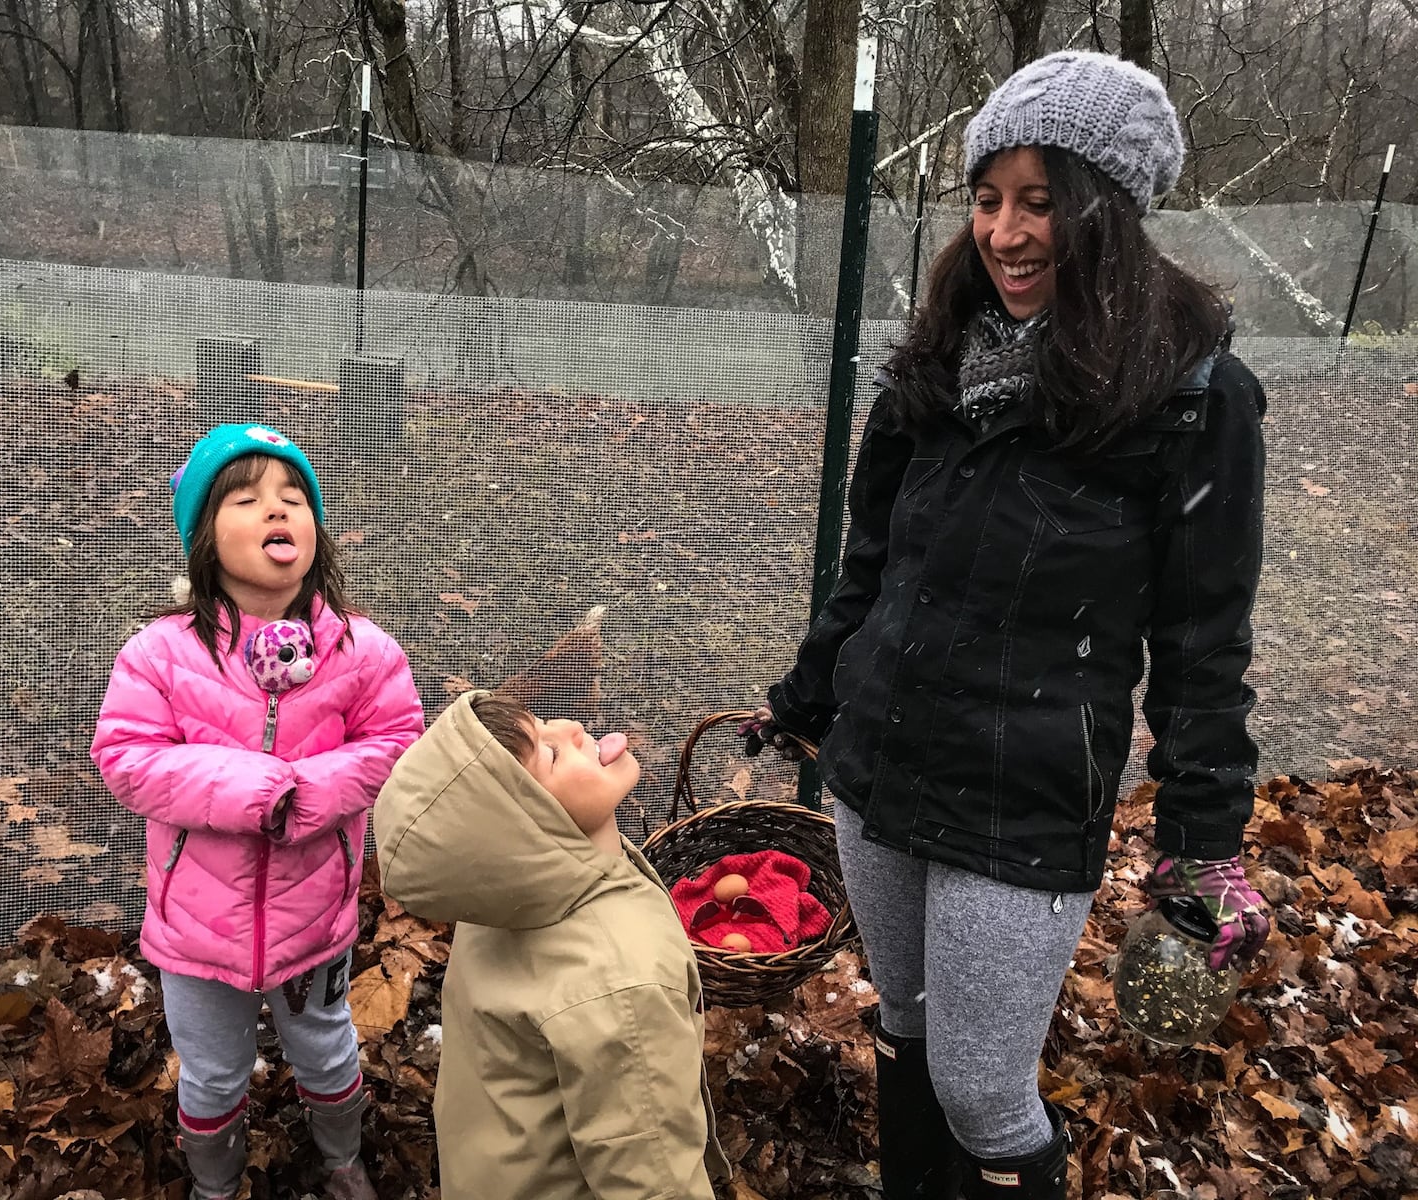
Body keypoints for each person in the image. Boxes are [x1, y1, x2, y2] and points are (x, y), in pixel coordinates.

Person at [742, 51, 1272, 1200]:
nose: (1005, 230)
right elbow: (871, 563)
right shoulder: (935, 366)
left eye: (1040, 201)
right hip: (878, 763)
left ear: (1107, 213)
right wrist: (807, 697)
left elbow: (1203, 643)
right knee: (906, 1029)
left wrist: (1204, 837)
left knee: (985, 1092)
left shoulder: (1189, 397)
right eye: (988, 198)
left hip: (1023, 796)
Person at [92, 424, 424, 1200]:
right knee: (210, 1076)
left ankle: (341, 1160)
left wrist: (306, 795)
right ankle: (215, 1185)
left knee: (330, 1052)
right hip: (196, 924)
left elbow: (398, 741)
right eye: (246, 498)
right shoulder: (161, 654)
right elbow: (127, 758)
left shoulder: (362, 652)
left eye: (293, 497)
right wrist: (250, 787)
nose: (277, 511)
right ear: (205, 535)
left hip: (317, 915)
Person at [373, 691, 729, 1200]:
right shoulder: (617, 977)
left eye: (544, 723)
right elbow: (653, 1175)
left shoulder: (504, 903)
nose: (572, 727)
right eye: (552, 754)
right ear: (527, 828)